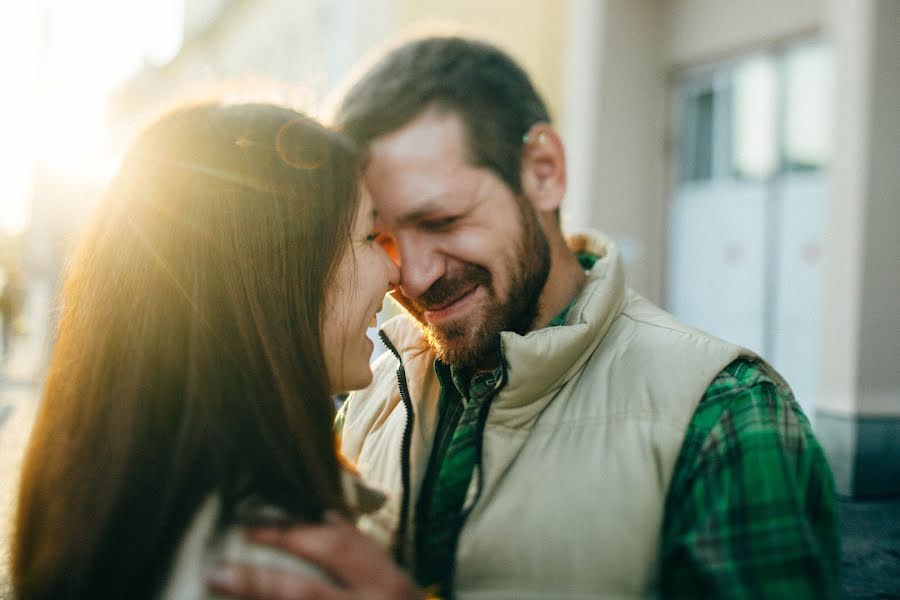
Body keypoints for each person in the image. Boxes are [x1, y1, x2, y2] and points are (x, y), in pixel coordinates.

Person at [211, 37, 840, 599]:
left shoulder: (726, 416)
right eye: (383, 239)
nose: (418, 274)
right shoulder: (371, 388)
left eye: (442, 221)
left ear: (543, 171)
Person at [11, 102, 419, 599]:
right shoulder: (279, 568)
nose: (396, 273)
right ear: (275, 274)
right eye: (369, 236)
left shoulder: (114, 498)